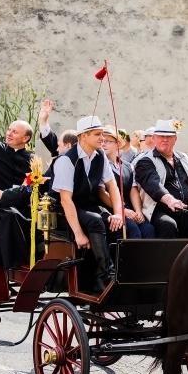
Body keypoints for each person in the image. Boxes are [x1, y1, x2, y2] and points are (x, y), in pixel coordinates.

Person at [51, 116, 123, 293]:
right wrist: (79, 234)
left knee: (118, 224)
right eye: (98, 134)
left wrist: (119, 213)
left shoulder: (100, 156)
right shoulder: (66, 160)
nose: (102, 139)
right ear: (84, 136)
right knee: (96, 221)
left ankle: (106, 276)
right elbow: (66, 200)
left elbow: (112, 186)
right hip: (67, 209)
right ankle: (107, 273)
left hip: (90, 205)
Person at [134, 119, 188, 238]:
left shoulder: (185, 158)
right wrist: (170, 200)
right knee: (168, 225)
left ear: (175, 139)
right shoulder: (145, 161)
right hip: (159, 211)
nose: (165, 139)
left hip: (187, 212)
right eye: (161, 136)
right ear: (154, 139)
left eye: (169, 136)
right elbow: (153, 185)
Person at [101, 125, 155, 240]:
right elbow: (101, 193)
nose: (103, 144)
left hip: (130, 208)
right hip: (110, 209)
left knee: (148, 230)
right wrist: (123, 210)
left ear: (117, 144)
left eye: (107, 141)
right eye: (102, 141)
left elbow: (133, 189)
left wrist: (138, 211)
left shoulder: (127, 165)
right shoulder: (100, 165)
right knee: (132, 231)